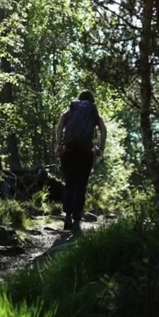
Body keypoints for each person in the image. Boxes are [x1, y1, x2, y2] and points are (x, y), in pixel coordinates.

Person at [54, 91, 107, 232]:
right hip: (85, 153)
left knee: (69, 184)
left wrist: (59, 144)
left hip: (69, 152)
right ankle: (77, 220)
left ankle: (67, 217)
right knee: (81, 186)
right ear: (91, 100)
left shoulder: (72, 109)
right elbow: (103, 128)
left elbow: (60, 125)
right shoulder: (93, 111)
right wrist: (100, 148)